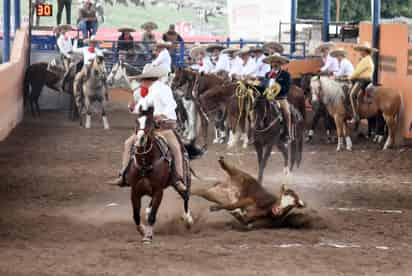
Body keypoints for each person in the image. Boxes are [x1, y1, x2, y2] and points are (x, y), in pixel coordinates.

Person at [112, 64, 186, 191]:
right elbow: (140, 108)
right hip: (149, 127)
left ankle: (178, 178)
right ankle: (124, 174)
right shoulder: (147, 92)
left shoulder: (164, 89)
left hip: (164, 126)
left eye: (142, 80)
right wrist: (132, 107)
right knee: (128, 143)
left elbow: (171, 105)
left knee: (176, 149)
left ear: (149, 79)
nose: (141, 82)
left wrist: (162, 115)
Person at [263, 53, 292, 139]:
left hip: (280, 98)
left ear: (280, 63)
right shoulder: (267, 74)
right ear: (271, 63)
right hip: (267, 98)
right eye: (273, 62)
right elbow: (264, 86)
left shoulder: (285, 75)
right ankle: (256, 130)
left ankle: (288, 132)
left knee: (287, 112)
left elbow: (287, 88)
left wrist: (277, 89)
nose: (274, 64)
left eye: (276, 62)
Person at [348, 41, 377, 122]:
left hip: (363, 81)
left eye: (361, 50)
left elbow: (357, 72)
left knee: (352, 95)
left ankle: (355, 115)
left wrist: (349, 78)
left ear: (365, 51)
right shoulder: (368, 59)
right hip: (367, 80)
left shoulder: (365, 60)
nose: (360, 52)